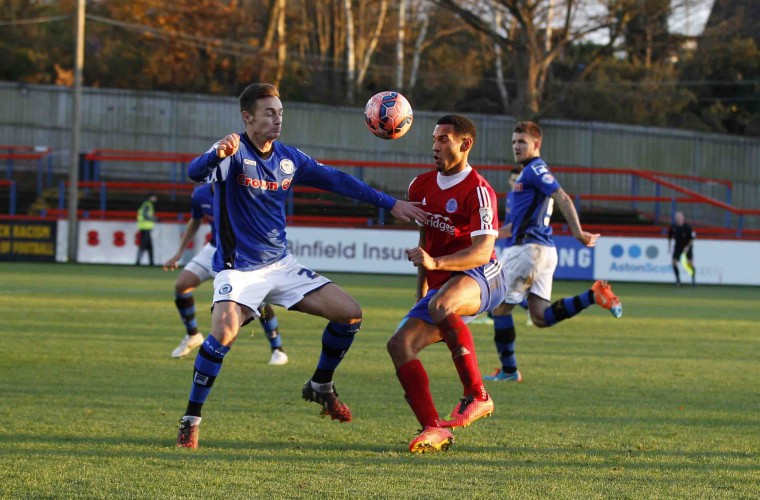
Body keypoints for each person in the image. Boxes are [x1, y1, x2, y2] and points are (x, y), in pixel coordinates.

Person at [176, 82, 427, 448]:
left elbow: (339, 181)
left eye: (280, 112)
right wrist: (216, 153)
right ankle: (191, 419)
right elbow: (195, 173)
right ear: (248, 117)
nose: (278, 119)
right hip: (239, 269)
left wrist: (390, 204)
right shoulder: (231, 153)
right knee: (223, 335)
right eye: (269, 113)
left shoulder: (288, 159)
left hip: (282, 265)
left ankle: (320, 383)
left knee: (350, 314)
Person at [387, 115, 509, 454]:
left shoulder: (480, 191)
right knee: (399, 345)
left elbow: (483, 251)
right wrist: (420, 294)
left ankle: (477, 394)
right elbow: (425, 241)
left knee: (442, 304)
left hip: (484, 276)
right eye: (434, 139)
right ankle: (434, 428)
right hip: (442, 285)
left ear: (465, 144)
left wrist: (436, 264)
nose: (435, 146)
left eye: (444, 139)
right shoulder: (419, 186)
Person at [483, 121, 623, 383]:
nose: (516, 146)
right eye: (514, 142)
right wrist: (487, 236)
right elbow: (513, 226)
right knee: (540, 317)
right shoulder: (528, 174)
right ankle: (592, 296)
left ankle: (509, 371)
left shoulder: (535, 169)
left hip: (527, 250)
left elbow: (562, 197)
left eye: (521, 142)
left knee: (499, 309)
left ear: (536, 144)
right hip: (543, 251)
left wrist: (579, 233)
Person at [163, 183, 288, 365]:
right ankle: (192, 335)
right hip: (214, 249)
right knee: (182, 285)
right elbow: (195, 220)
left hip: (240, 253)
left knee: (258, 302)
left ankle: (277, 349)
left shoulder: (241, 192)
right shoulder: (201, 194)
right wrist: (179, 252)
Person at [668, 211, 696, 287]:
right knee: (674, 263)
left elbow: (692, 238)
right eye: (677, 218)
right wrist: (669, 247)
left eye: (680, 217)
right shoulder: (673, 227)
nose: (678, 219)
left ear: (683, 218)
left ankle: (693, 281)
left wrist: (687, 247)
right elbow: (670, 237)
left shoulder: (688, 228)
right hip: (678, 247)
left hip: (687, 247)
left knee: (690, 264)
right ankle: (678, 281)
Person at [135, 193, 157, 266]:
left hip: (146, 228)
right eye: (154, 197)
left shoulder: (146, 204)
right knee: (143, 245)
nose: (155, 198)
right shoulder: (147, 205)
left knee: (149, 246)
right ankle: (138, 261)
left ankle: (151, 262)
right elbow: (145, 215)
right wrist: (154, 219)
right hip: (145, 228)